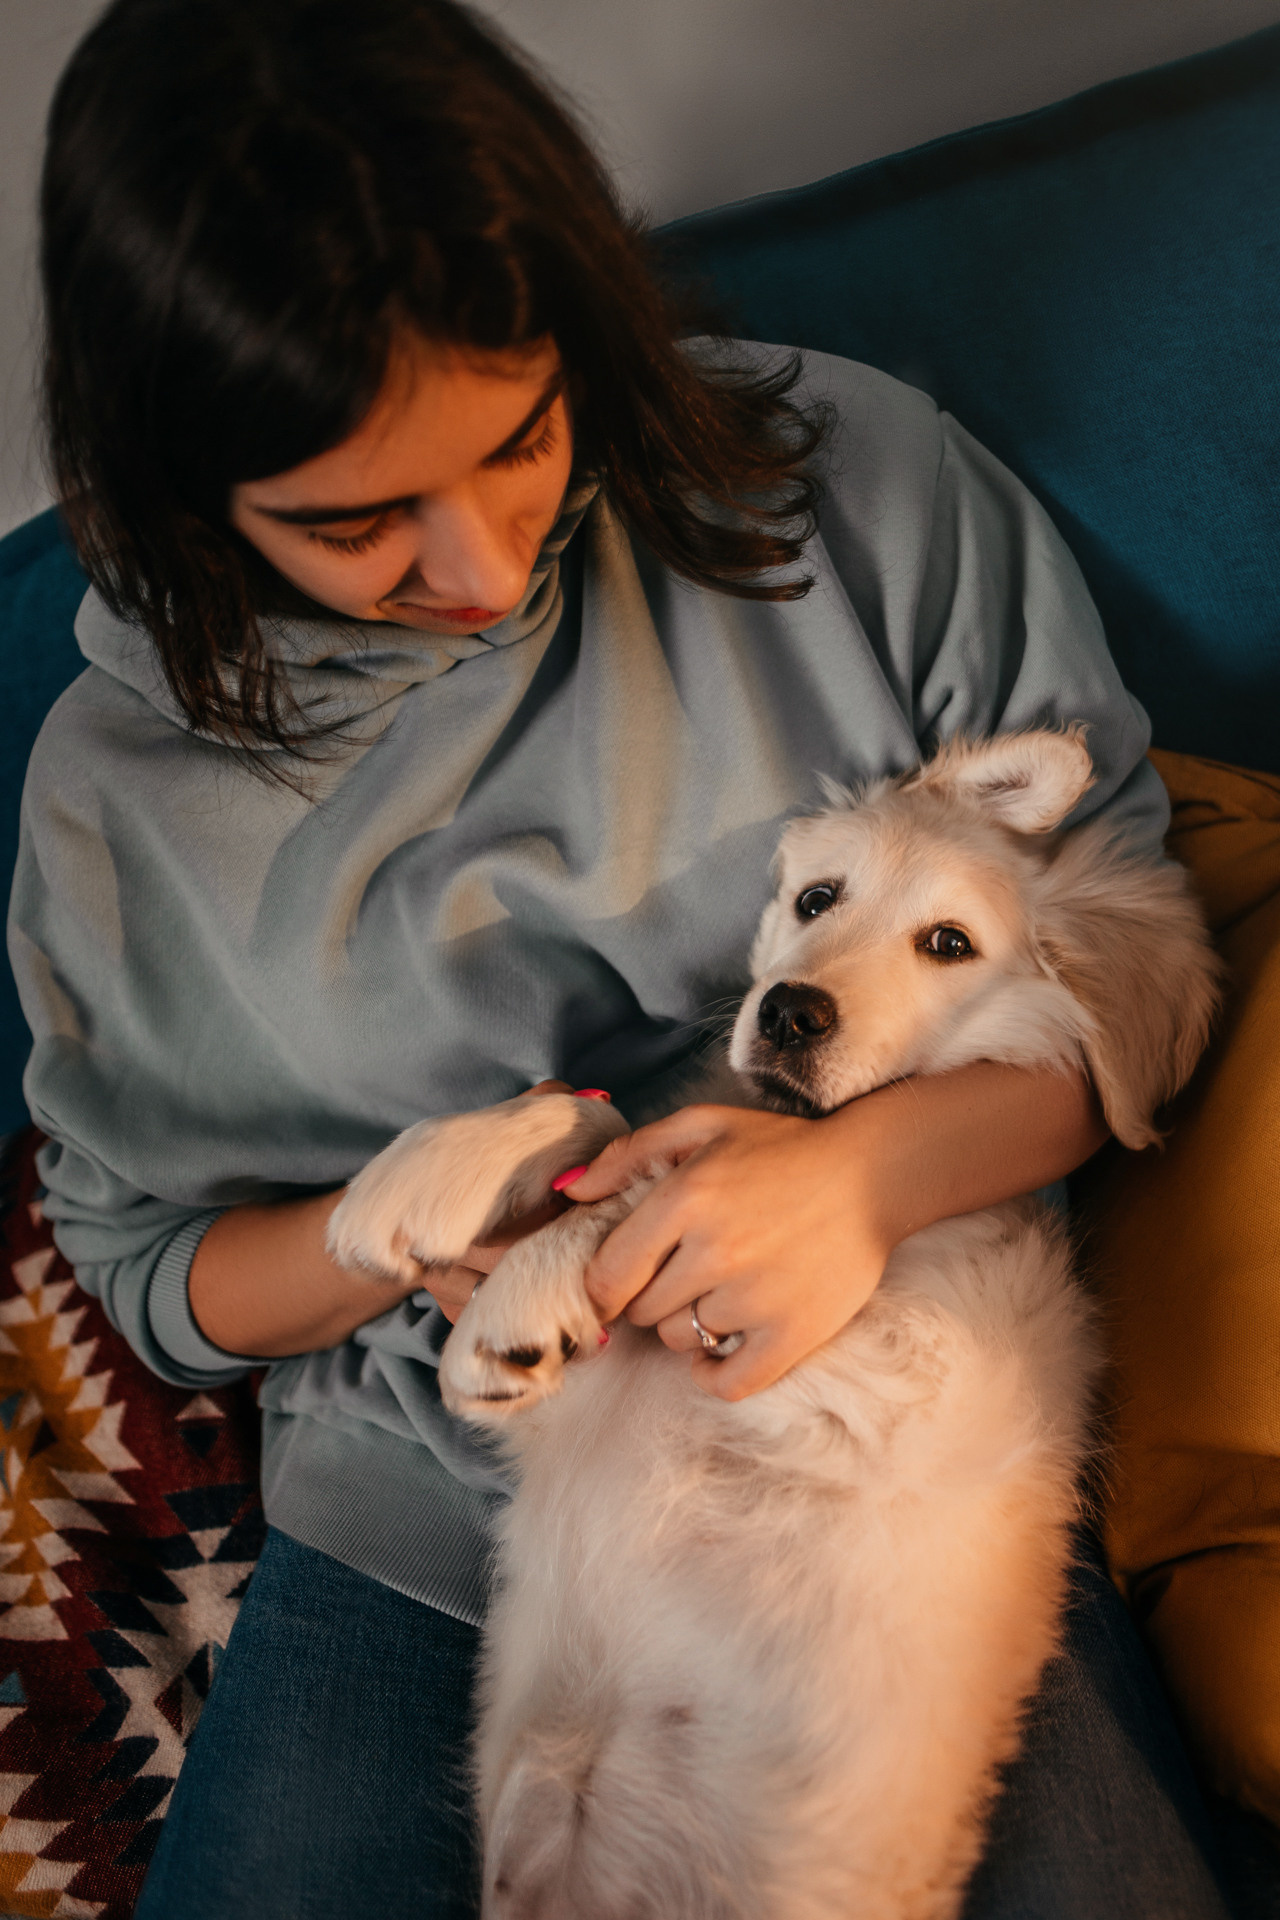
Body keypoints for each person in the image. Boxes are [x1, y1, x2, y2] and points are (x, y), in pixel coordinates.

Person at [15, 0, 1233, 1913]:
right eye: (355, 524)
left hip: (883, 1440)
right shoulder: (115, 805)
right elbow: (154, 1275)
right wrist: (376, 1233)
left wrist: (856, 1181)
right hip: (430, 1501)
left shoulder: (860, 492)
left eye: (520, 437)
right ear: (188, 497)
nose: (489, 566)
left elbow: (1125, 973)